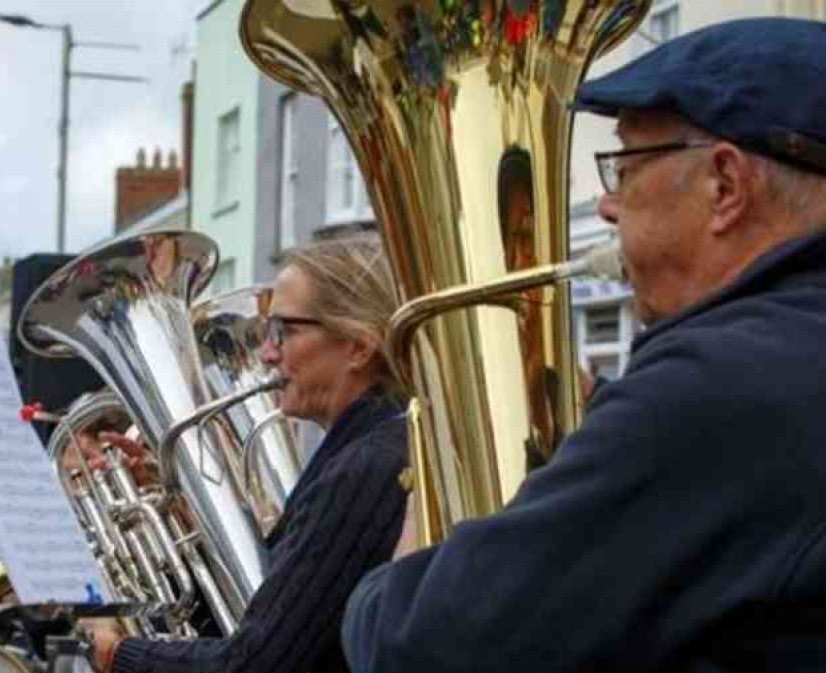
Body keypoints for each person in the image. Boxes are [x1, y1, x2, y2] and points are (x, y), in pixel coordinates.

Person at [342, 17, 826, 673]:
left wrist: (392, 573)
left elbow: (424, 642)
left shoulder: (715, 382)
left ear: (724, 185)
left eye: (623, 166)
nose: (606, 206)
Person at [83, 235, 409, 673]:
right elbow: (264, 618)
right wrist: (184, 518)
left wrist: (116, 654)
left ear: (359, 345)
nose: (266, 354)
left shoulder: (364, 467)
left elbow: (254, 664)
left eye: (284, 332)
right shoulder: (360, 450)